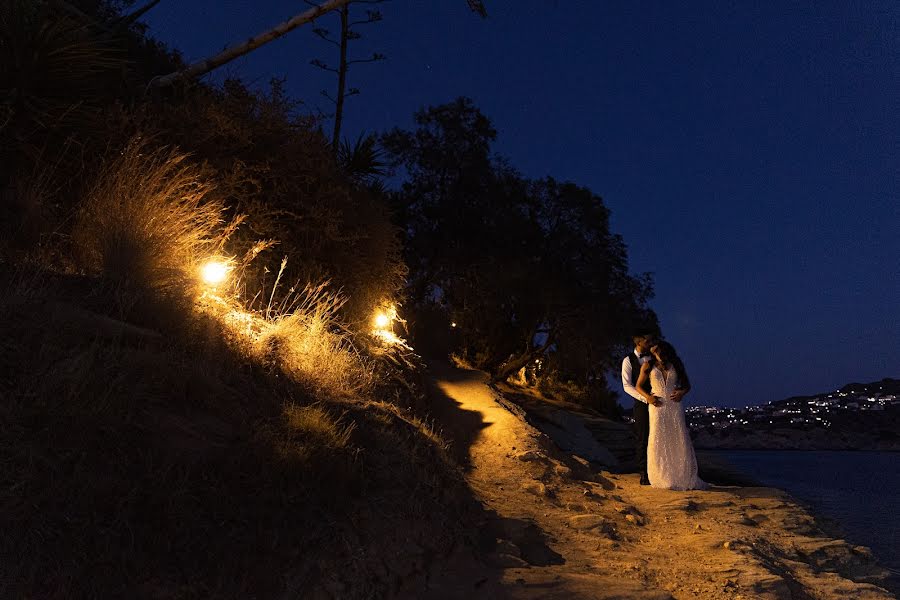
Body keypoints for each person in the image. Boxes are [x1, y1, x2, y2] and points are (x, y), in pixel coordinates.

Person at [636, 340, 707, 490]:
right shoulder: (647, 366)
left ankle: (679, 476)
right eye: (653, 351)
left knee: (677, 437)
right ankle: (661, 477)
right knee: (657, 437)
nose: (656, 353)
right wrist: (648, 397)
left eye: (658, 350)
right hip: (657, 406)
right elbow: (638, 386)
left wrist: (681, 392)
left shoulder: (676, 364)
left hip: (674, 406)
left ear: (664, 349)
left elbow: (687, 385)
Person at [621, 332, 656, 485]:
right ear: (639, 342)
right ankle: (643, 473)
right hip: (641, 403)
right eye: (647, 341)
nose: (650, 343)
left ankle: (657, 470)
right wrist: (645, 398)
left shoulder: (654, 358)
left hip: (658, 402)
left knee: (656, 437)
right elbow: (626, 385)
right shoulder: (628, 360)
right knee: (642, 437)